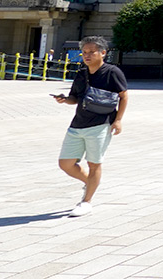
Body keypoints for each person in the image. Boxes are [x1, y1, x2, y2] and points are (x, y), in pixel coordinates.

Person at [53, 36, 128, 217]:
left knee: (94, 163)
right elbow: (75, 98)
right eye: (84, 52)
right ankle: (90, 183)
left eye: (91, 52)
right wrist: (64, 100)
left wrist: (118, 120)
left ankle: (86, 202)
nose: (87, 55)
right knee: (65, 164)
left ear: (103, 53)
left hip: (101, 124)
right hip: (78, 124)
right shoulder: (82, 73)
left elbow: (123, 96)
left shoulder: (112, 72)